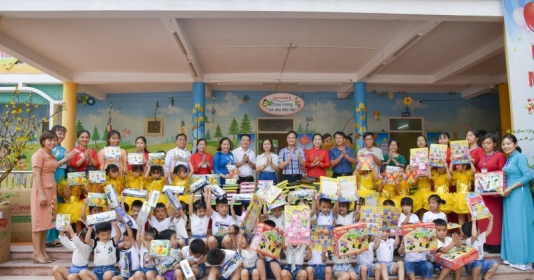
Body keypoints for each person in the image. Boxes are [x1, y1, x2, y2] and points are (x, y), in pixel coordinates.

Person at [31, 130, 73, 264]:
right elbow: (36, 175)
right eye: (50, 140)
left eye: (54, 140)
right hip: (41, 191)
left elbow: (54, 166)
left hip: (51, 190)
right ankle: (36, 253)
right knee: (38, 224)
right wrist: (41, 194)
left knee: (45, 223)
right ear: (43, 141)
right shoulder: (39, 154)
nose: (53, 142)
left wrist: (66, 159)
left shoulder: (51, 154)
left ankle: (43, 251)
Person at [500, 134, 534, 270]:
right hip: (509, 195)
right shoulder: (509, 159)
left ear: (515, 143)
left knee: (520, 226)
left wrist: (511, 188)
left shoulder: (520, 157)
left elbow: (528, 176)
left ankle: (523, 260)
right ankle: (512, 257)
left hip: (518, 194)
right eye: (503, 144)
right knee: (511, 225)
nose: (506, 146)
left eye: (508, 143)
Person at [475, 133, 506, 252]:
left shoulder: (500, 156)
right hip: (482, 192)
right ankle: (485, 242)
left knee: (494, 217)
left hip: (494, 193)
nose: (486, 145)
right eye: (483, 143)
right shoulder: (481, 155)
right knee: (482, 216)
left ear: (494, 144)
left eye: (488, 143)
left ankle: (496, 243)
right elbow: (478, 169)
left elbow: (503, 172)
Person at [47, 125, 76, 248]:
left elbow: (65, 165)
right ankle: (49, 238)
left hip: (62, 179)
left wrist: (69, 158)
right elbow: (51, 166)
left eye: (63, 133)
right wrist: (65, 159)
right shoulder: (50, 150)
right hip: (53, 179)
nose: (62, 136)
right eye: (59, 133)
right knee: (52, 209)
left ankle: (61, 236)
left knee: (61, 208)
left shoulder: (63, 149)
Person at [462, 215, 499, 279]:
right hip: (471, 264)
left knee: (495, 264)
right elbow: (474, 235)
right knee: (477, 264)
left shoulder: (480, 237)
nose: (479, 229)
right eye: (477, 228)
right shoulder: (469, 240)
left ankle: (486, 277)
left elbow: (488, 231)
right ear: (474, 231)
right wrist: (473, 222)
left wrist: (491, 220)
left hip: (481, 262)